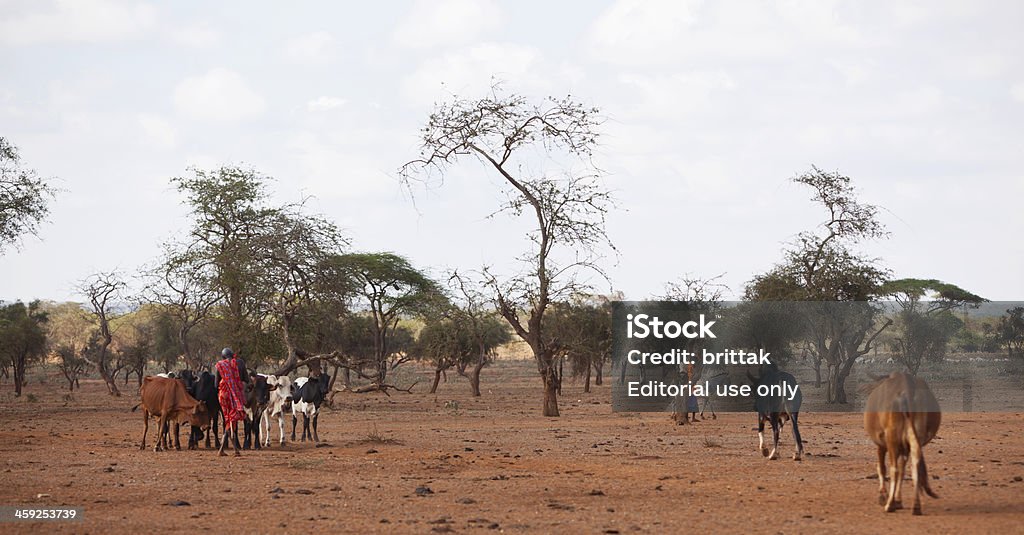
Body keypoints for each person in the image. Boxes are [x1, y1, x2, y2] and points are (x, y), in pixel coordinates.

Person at [214, 347, 248, 456]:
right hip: (233, 395)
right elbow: (245, 380)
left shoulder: (220, 365)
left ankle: (230, 450)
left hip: (222, 396)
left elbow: (216, 384)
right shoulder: (240, 363)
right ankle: (225, 450)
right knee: (232, 421)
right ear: (233, 355)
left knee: (228, 419)